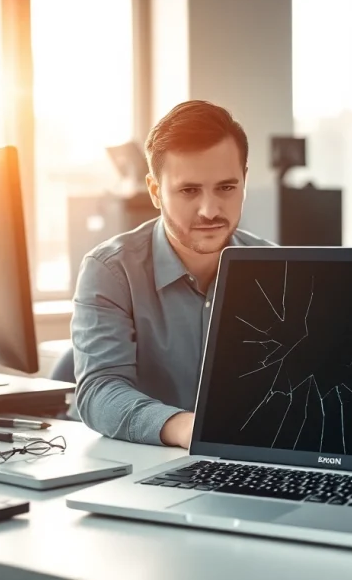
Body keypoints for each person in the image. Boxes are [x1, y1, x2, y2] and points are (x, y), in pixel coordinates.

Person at [71, 100, 272, 448]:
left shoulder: (277, 268)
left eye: (226, 187)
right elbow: (99, 392)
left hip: (254, 461)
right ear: (154, 191)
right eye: (189, 190)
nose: (210, 210)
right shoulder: (110, 271)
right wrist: (187, 428)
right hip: (147, 467)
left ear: (244, 181)